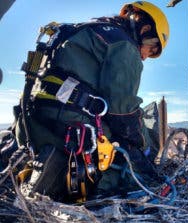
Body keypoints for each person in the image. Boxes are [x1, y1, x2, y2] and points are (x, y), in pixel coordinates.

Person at [14, 1, 169, 202]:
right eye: (150, 48)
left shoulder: (80, 31)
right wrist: (144, 147)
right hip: (70, 135)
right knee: (133, 168)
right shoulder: (124, 45)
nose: (145, 56)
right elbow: (123, 111)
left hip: (31, 128)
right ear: (145, 29)